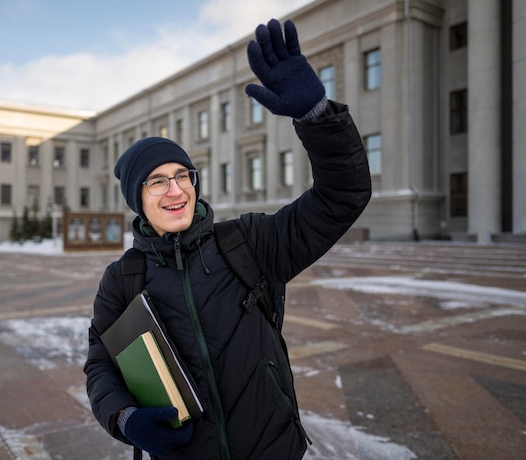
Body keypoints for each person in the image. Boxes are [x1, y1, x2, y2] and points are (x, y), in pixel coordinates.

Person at [85, 18, 371, 460]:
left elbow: (342, 196)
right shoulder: (123, 278)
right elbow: (101, 365)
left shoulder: (249, 243)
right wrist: (126, 418)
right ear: (137, 200)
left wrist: (316, 116)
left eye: (183, 175)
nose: (176, 190)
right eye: (157, 182)